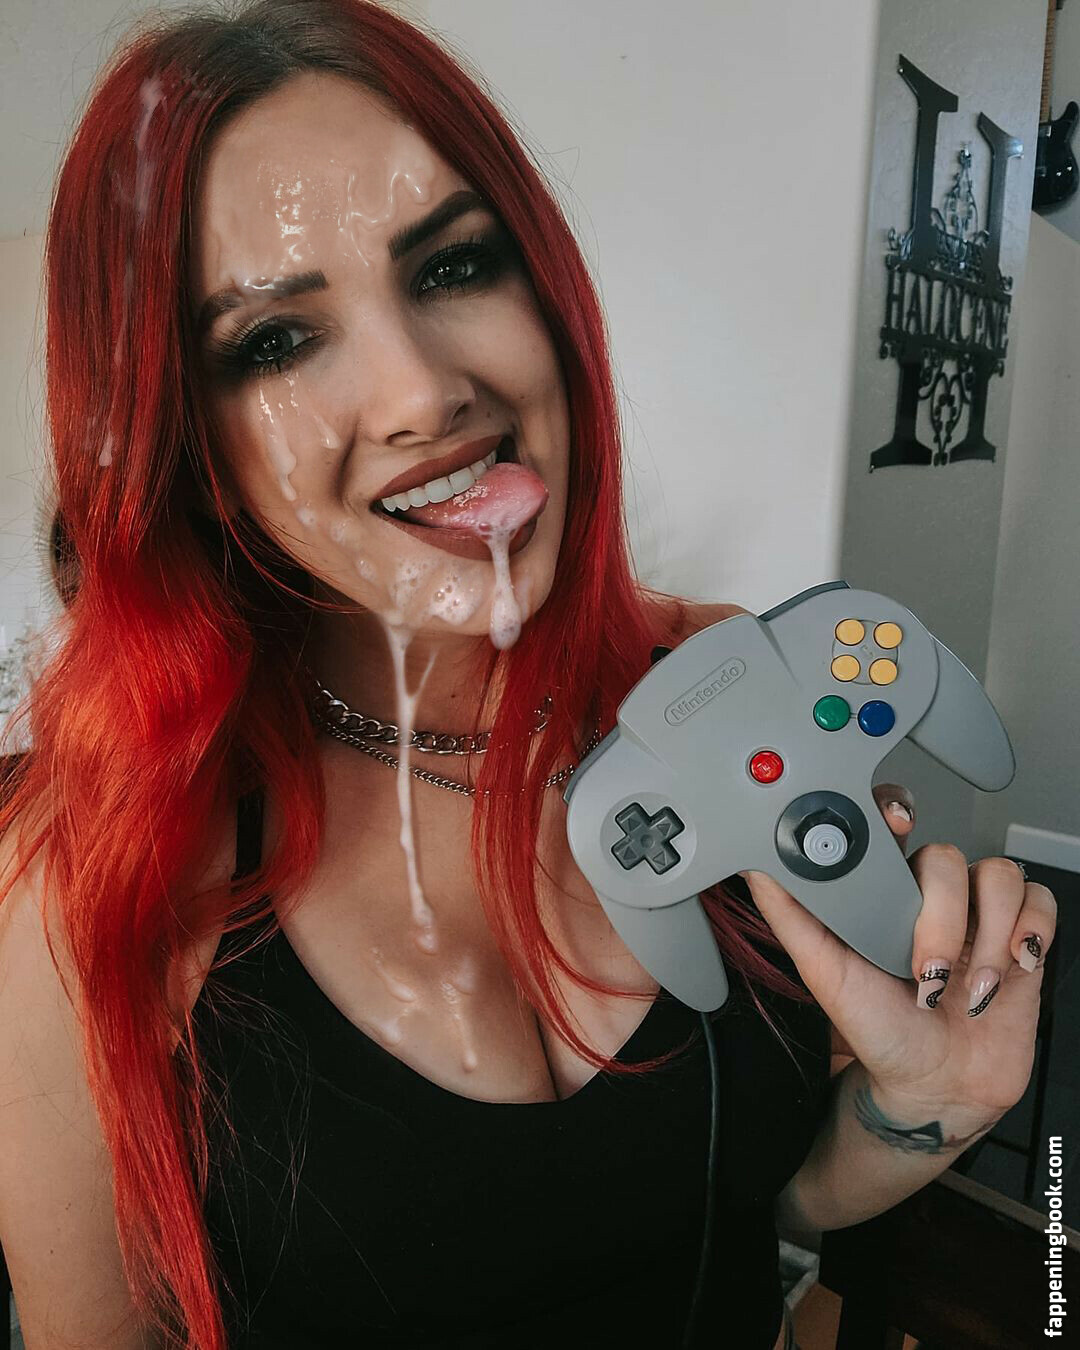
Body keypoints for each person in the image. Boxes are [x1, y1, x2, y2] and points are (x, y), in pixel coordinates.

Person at [0, 3, 1056, 1348]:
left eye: (452, 266)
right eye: (274, 341)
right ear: (187, 451)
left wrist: (928, 1106)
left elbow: (759, 1204)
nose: (421, 392)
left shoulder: (726, 680)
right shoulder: (90, 885)